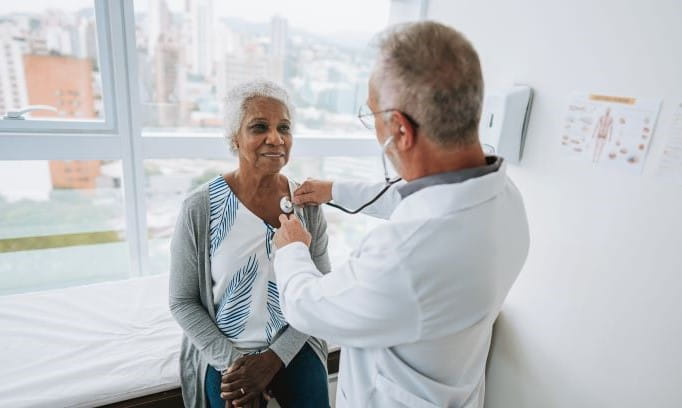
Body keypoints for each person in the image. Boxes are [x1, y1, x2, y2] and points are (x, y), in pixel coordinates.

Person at [272, 21, 530, 407]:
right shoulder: (504, 197)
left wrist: (293, 250)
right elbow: (420, 198)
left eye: (372, 117)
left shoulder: (405, 256)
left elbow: (307, 306)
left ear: (400, 130)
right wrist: (335, 190)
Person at [169, 80, 331, 408]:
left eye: (284, 127)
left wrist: (273, 360)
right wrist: (236, 366)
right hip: (226, 350)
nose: (275, 138)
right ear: (234, 138)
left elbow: (321, 293)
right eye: (259, 127)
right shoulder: (201, 207)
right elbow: (183, 301)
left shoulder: (307, 204)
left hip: (293, 343)